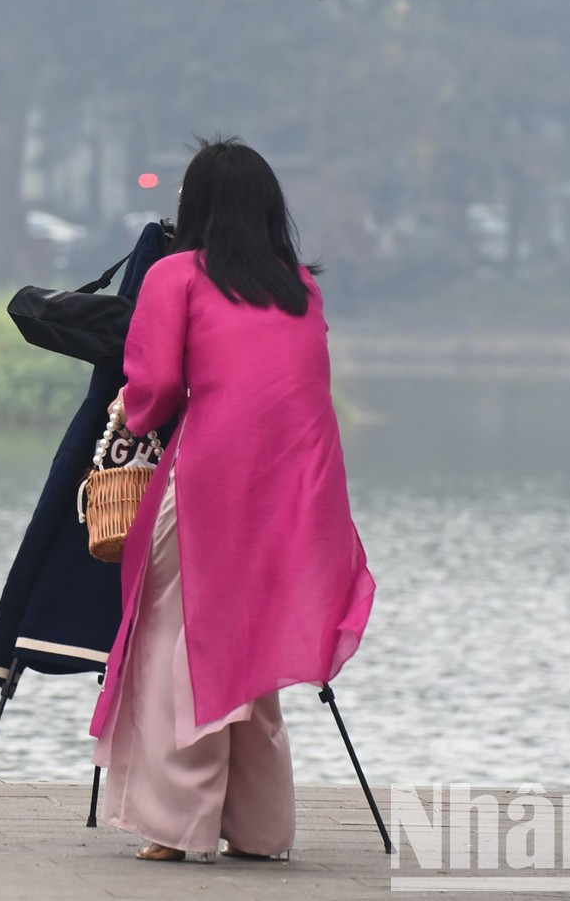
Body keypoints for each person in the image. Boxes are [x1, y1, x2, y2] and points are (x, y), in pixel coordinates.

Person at [90, 138, 373, 860]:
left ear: (197, 205)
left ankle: (176, 823)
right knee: (248, 644)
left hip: (212, 481)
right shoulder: (297, 285)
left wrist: (126, 405)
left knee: (177, 637)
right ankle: (259, 826)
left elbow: (153, 394)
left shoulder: (176, 274)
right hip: (297, 492)